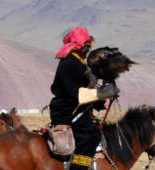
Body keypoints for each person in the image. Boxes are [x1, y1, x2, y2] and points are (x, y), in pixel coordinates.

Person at [48, 27, 108, 170]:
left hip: (76, 109)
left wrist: (99, 102)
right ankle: (78, 168)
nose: (88, 51)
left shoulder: (78, 61)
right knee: (91, 135)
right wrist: (101, 94)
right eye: (86, 47)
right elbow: (76, 93)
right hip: (67, 111)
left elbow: (86, 89)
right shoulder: (69, 63)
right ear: (79, 47)